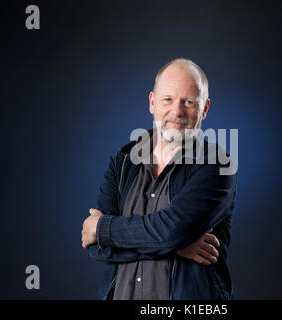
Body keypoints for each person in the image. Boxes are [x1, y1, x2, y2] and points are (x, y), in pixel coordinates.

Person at [81, 58, 237, 300]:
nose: (177, 111)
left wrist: (102, 228)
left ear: (205, 108)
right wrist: (175, 244)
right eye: (167, 99)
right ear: (152, 102)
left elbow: (170, 230)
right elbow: (95, 247)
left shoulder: (218, 164)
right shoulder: (122, 161)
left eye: (189, 102)